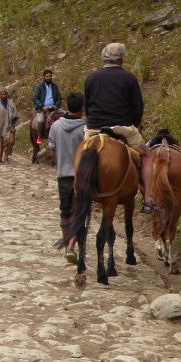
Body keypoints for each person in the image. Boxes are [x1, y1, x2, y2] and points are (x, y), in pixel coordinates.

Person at [83, 42, 153, 212]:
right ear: (122, 60)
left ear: (103, 58)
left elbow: (87, 105)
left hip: (94, 129)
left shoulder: (91, 77)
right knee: (146, 157)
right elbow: (137, 108)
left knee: (80, 152)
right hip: (122, 128)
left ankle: (77, 189)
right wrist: (134, 123)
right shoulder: (129, 78)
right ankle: (149, 199)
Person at [48, 92, 86, 257]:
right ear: (82, 108)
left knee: (65, 211)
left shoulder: (56, 126)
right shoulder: (86, 128)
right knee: (79, 212)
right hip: (81, 176)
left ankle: (67, 246)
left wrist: (58, 164)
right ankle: (71, 246)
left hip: (62, 175)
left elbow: (52, 149)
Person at [0, 87, 19, 164]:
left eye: (5, 94)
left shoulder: (11, 103)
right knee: (0, 144)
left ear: (7, 94)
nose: (3, 95)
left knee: (11, 141)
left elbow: (15, 115)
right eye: (1, 94)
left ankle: (6, 156)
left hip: (9, 126)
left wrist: (13, 126)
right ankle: (0, 159)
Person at [32, 69, 62, 134]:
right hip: (43, 109)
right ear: (44, 77)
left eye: (50, 76)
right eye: (47, 76)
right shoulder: (39, 86)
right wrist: (42, 106)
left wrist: (56, 105)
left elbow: (59, 98)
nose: (48, 78)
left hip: (53, 107)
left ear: (51, 77)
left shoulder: (55, 86)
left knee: (66, 114)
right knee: (40, 121)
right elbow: (35, 98)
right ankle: (40, 136)